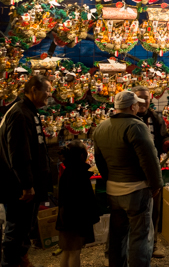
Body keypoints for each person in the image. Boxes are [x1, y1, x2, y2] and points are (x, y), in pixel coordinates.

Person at [93, 90, 163, 267]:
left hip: (113, 189)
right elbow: (149, 159)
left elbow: (99, 161)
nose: (140, 106)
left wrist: (110, 179)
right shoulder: (136, 126)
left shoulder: (101, 127)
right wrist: (156, 184)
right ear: (132, 106)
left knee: (117, 235)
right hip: (136, 189)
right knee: (140, 236)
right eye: (137, 104)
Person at [0, 75, 53, 267]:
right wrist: (27, 185)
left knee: (23, 229)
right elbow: (19, 153)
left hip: (28, 187)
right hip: (19, 189)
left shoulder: (30, 112)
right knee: (16, 230)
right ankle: (10, 263)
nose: (50, 94)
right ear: (33, 90)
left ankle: (20, 259)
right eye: (46, 90)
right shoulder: (20, 114)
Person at [132, 85, 169, 259]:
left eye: (147, 98)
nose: (144, 101)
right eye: (140, 97)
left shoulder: (154, 117)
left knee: (154, 209)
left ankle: (152, 245)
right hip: (132, 173)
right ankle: (132, 247)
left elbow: (163, 138)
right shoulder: (127, 118)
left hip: (153, 170)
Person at [56, 140, 100, 267]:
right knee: (74, 252)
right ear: (82, 155)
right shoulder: (79, 173)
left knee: (67, 251)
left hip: (66, 219)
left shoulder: (68, 171)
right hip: (75, 220)